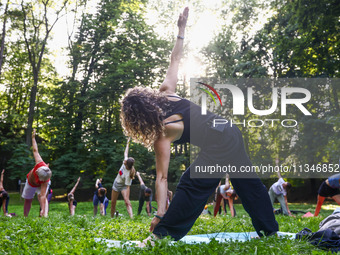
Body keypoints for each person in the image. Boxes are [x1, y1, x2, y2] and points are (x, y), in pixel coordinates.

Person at [120, 7, 278, 242]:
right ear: (148, 98)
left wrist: (160, 215)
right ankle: (270, 231)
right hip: (230, 130)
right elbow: (175, 59)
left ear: (137, 122)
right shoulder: (165, 93)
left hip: (220, 139)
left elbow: (162, 178)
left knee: (192, 184)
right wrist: (181, 30)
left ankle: (162, 236)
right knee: (247, 183)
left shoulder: (162, 132)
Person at [22, 129, 52, 217]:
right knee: (28, 199)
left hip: (43, 182)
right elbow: (35, 150)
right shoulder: (39, 162)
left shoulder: (45, 179)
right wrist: (33, 138)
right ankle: (25, 217)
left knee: (42, 197)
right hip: (31, 183)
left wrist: (43, 209)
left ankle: (45, 215)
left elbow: (42, 196)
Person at [111, 138, 136, 218]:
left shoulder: (129, 174)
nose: (124, 164)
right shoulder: (125, 161)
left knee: (126, 202)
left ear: (128, 166)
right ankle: (111, 218)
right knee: (113, 202)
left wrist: (127, 198)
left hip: (124, 186)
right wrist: (128, 143)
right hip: (116, 184)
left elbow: (128, 187)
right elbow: (126, 152)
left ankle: (131, 217)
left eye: (125, 164)